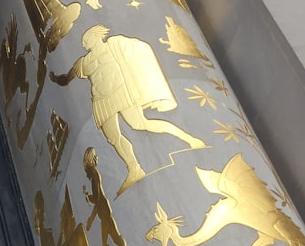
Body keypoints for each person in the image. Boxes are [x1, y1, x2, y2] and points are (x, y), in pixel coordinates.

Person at [51, 24, 204, 193]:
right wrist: (55, 78)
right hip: (102, 101)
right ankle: (134, 169)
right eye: (83, 42)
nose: (84, 44)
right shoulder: (83, 62)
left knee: (140, 124)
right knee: (114, 138)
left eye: (86, 40)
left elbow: (138, 49)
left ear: (95, 38)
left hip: (121, 92)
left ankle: (189, 138)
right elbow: (67, 78)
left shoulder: (114, 45)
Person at [82, 147, 135, 246]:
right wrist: (88, 197)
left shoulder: (94, 173)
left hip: (104, 211)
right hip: (102, 213)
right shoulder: (93, 174)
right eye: (96, 156)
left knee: (115, 238)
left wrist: (91, 219)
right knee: (105, 244)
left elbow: (99, 199)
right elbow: (96, 197)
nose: (97, 158)